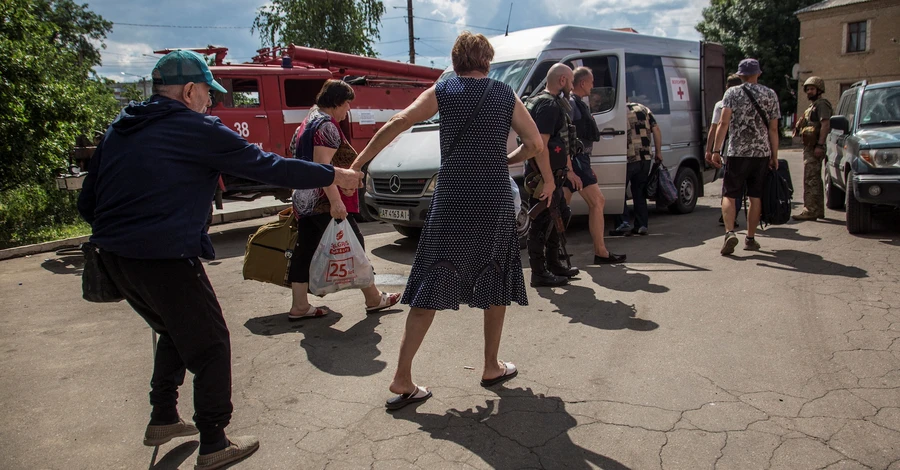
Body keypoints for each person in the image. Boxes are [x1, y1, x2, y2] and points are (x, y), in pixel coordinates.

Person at [77, 50, 362, 470]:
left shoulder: (120, 128)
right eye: (207, 94)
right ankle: (214, 443)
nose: (211, 102)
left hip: (113, 257)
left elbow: (88, 202)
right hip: (165, 256)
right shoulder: (196, 129)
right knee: (211, 345)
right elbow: (267, 167)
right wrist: (332, 175)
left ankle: (163, 417)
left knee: (172, 329)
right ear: (189, 90)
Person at [350, 31, 551, 410]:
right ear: (487, 61)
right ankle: (491, 365)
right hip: (492, 195)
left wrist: (357, 165)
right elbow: (536, 144)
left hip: (454, 195)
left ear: (456, 62)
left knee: (432, 275)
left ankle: (402, 376)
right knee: (495, 273)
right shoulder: (504, 94)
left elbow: (399, 120)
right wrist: (506, 159)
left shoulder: (444, 90)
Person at [286, 80, 400, 319]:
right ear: (336, 102)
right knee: (354, 243)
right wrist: (336, 201)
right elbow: (323, 167)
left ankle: (299, 305)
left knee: (304, 250)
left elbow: (295, 154)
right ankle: (373, 298)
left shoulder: (306, 123)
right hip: (323, 200)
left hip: (304, 198)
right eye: (347, 103)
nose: (348, 109)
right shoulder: (326, 125)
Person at [709, 58, 780, 255]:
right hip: (761, 153)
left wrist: (716, 150)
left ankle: (730, 232)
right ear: (758, 73)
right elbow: (774, 129)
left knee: (730, 194)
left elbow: (723, 123)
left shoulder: (732, 92)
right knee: (755, 195)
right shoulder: (770, 94)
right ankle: (750, 238)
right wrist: (774, 155)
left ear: (740, 75)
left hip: (737, 152)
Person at [524, 63, 580, 287]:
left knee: (560, 215)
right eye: (571, 81)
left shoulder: (546, 101)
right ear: (563, 81)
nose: (573, 86)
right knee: (541, 222)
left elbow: (562, 142)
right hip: (543, 176)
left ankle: (554, 263)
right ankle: (539, 273)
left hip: (552, 174)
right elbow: (541, 146)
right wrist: (548, 180)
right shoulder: (548, 105)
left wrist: (567, 172)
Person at [564, 67, 626, 264]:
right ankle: (601, 252)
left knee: (559, 208)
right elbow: (565, 135)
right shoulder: (573, 104)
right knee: (597, 202)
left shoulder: (577, 103)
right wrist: (572, 166)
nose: (593, 86)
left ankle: (554, 253)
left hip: (577, 160)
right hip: (576, 160)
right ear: (582, 83)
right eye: (591, 82)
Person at [610, 102, 662, 236]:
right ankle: (642, 225)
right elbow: (656, 129)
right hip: (644, 157)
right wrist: (658, 152)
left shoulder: (617, 111)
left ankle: (623, 223)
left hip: (628, 157)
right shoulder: (643, 108)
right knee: (639, 192)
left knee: (620, 191)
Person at [706, 74, 746, 227]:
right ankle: (733, 213)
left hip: (728, 148)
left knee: (730, 184)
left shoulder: (721, 104)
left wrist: (710, 150)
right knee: (742, 185)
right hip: (750, 149)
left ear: (727, 87)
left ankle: (728, 215)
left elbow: (715, 127)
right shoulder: (748, 101)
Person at [792, 76, 832, 221]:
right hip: (810, 146)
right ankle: (817, 210)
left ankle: (810, 210)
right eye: (807, 89)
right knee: (813, 178)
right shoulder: (813, 105)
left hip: (815, 146)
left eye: (812, 89)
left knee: (811, 179)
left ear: (819, 90)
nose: (809, 91)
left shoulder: (822, 105)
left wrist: (820, 145)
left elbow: (825, 125)